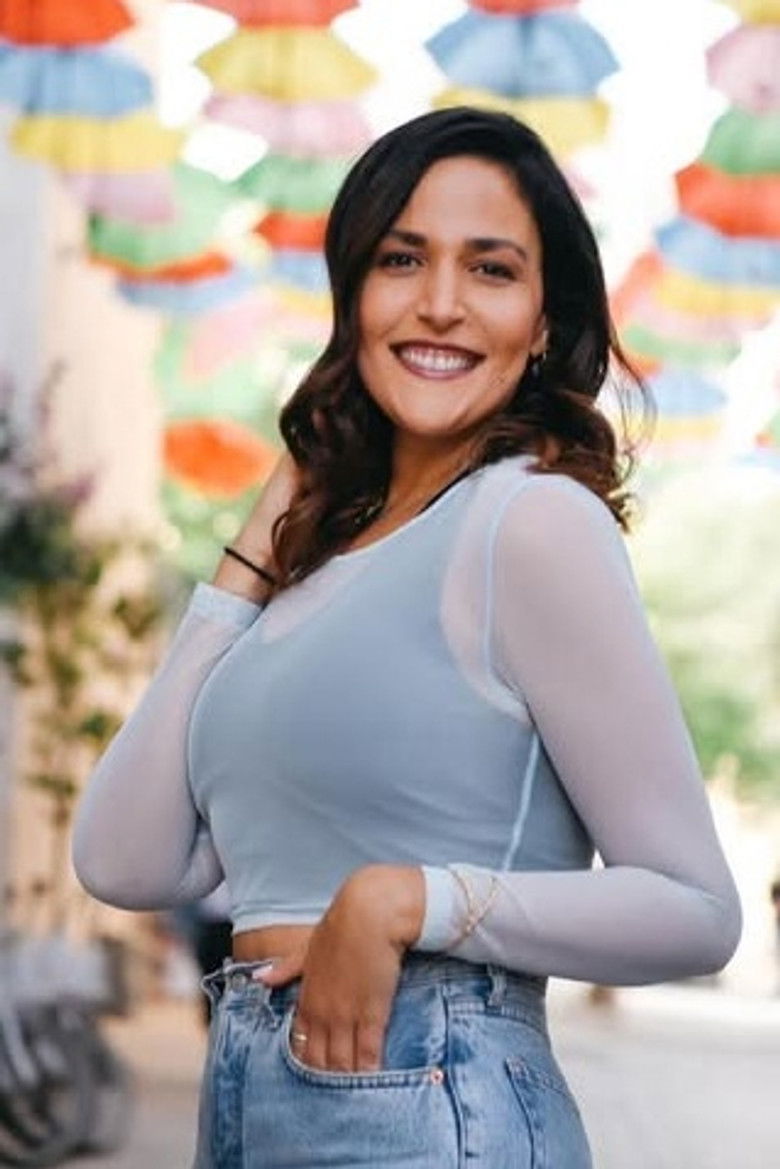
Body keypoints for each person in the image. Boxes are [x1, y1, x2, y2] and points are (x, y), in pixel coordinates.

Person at [72, 107, 741, 1168]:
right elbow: (121, 856)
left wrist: (409, 898)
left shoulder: (528, 521)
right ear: (353, 295)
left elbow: (696, 908)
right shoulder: (316, 569)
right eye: (401, 259)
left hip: (437, 1102)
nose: (439, 303)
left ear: (543, 319)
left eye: (491, 269)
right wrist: (256, 548)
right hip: (248, 1098)